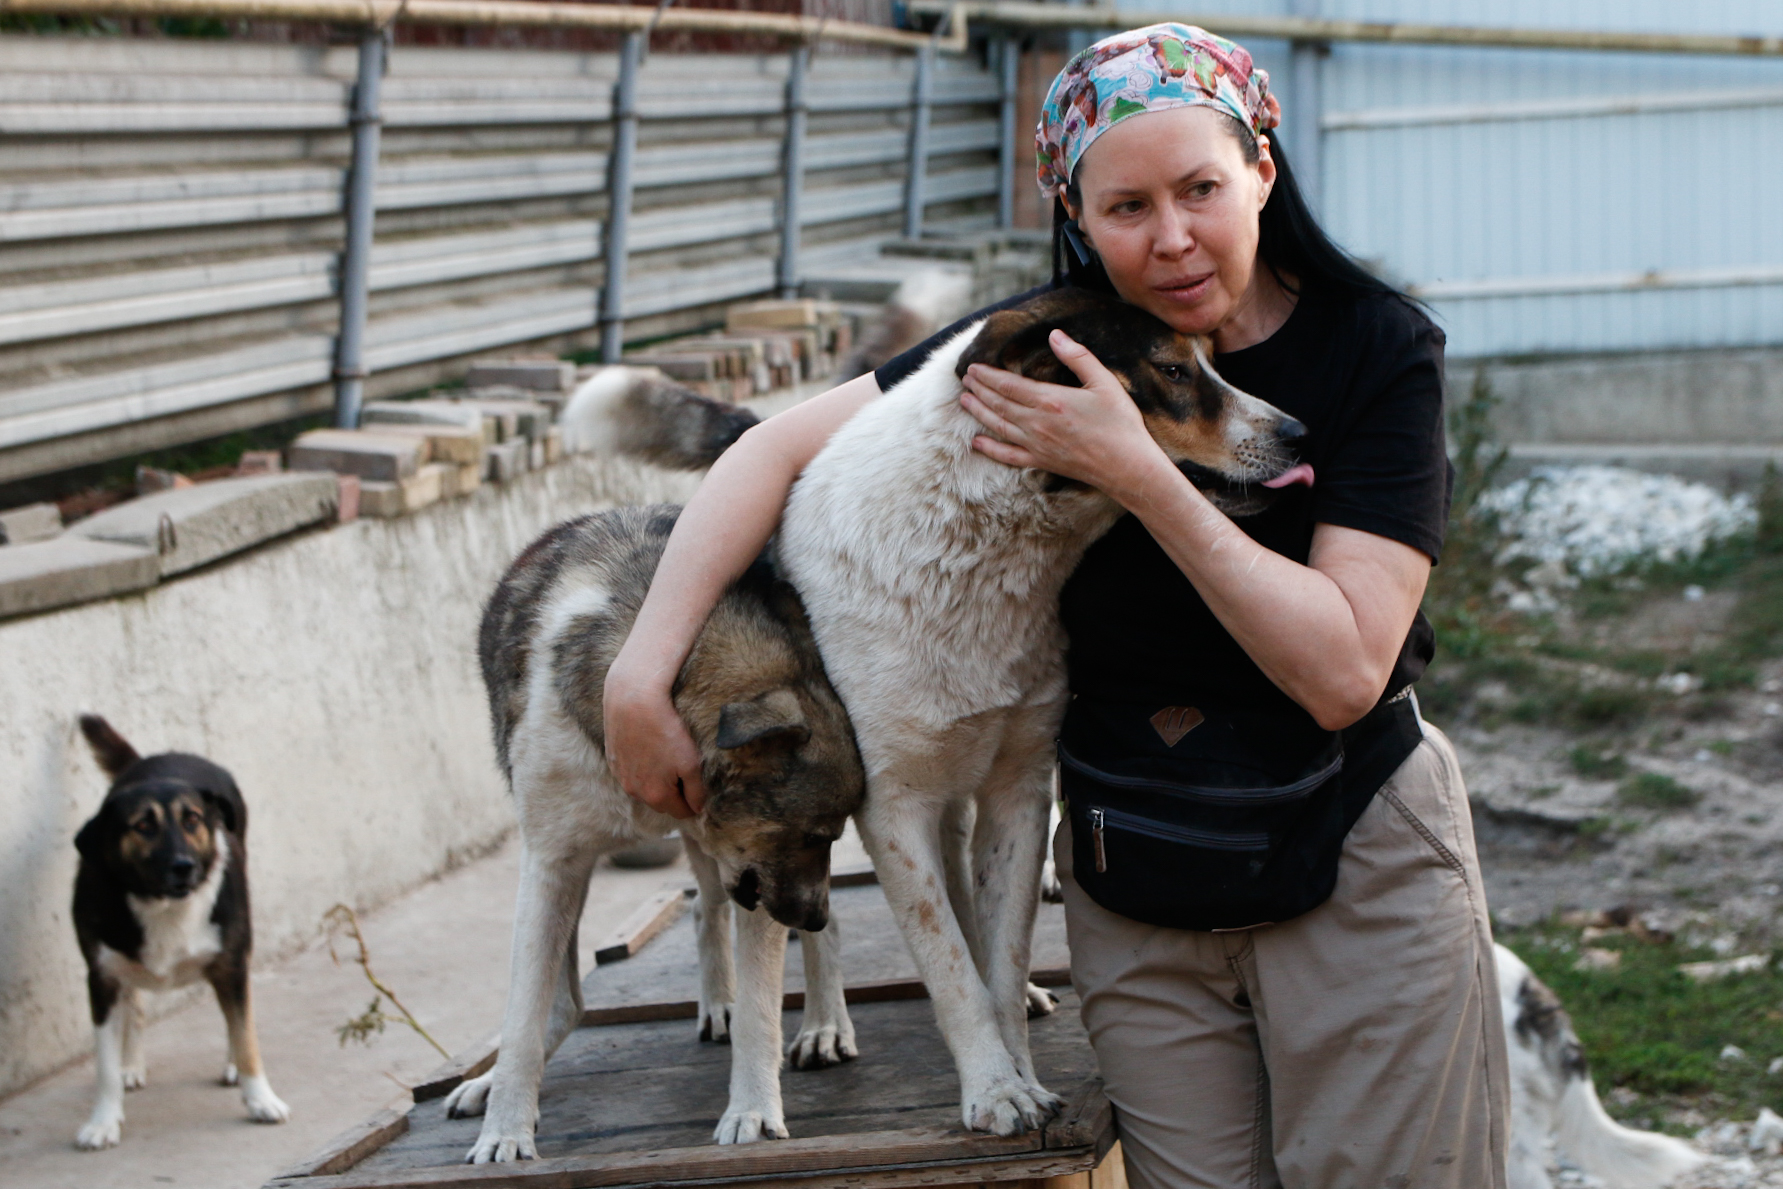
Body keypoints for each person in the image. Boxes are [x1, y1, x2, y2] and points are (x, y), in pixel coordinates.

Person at [603, 23, 1508, 1189]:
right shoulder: (1051, 343)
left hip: (1354, 848)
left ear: (1262, 173)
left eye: (1201, 189)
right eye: (1126, 206)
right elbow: (766, 451)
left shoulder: (1374, 349)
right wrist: (641, 670)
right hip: (1136, 866)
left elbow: (1340, 669)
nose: (1172, 236)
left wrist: (1136, 470)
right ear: (1075, 213)